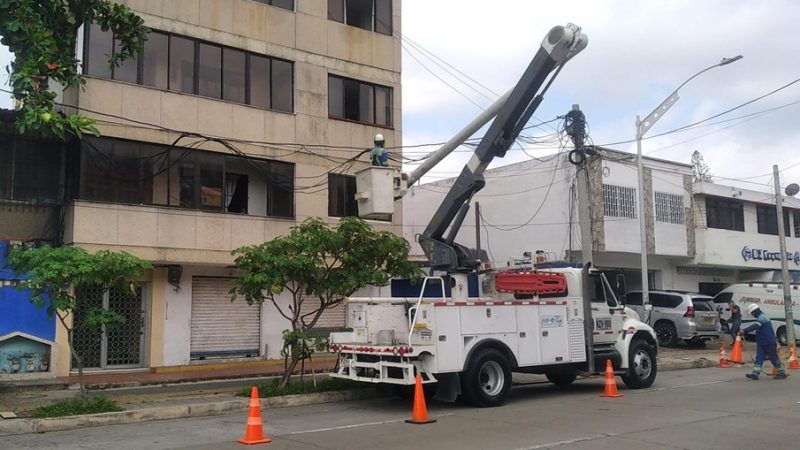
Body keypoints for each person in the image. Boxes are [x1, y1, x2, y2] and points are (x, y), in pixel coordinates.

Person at [742, 303, 787, 380]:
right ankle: (755, 374)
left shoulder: (763, 317)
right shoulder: (761, 317)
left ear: (754, 312)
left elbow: (756, 325)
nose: (752, 315)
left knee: (773, 358)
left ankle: (782, 373)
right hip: (762, 342)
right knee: (759, 358)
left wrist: (744, 331)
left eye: (752, 313)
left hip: (769, 342)